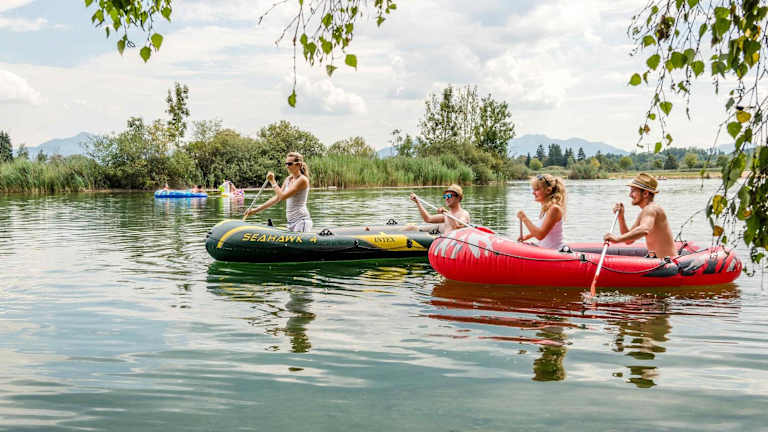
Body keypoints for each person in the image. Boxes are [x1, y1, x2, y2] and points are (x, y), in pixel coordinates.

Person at [604, 172, 676, 258]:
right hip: (658, 261)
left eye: (633, 191)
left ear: (645, 193)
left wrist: (617, 239)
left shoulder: (651, 209)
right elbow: (629, 241)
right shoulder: (645, 212)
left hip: (667, 263)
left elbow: (644, 229)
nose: (630, 195)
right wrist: (621, 217)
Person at [244, 152, 313, 232]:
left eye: (290, 164)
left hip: (301, 222)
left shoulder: (302, 180)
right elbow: (277, 198)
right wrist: (255, 210)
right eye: (286, 164)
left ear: (298, 165)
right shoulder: (288, 179)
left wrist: (272, 181)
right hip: (290, 223)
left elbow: (283, 197)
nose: (287, 166)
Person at [517, 173, 566, 250]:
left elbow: (540, 235)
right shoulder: (546, 208)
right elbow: (544, 229)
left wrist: (524, 218)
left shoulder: (554, 209)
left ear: (548, 190)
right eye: (533, 190)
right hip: (545, 250)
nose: (533, 193)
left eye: (536, 189)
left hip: (554, 252)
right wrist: (527, 236)